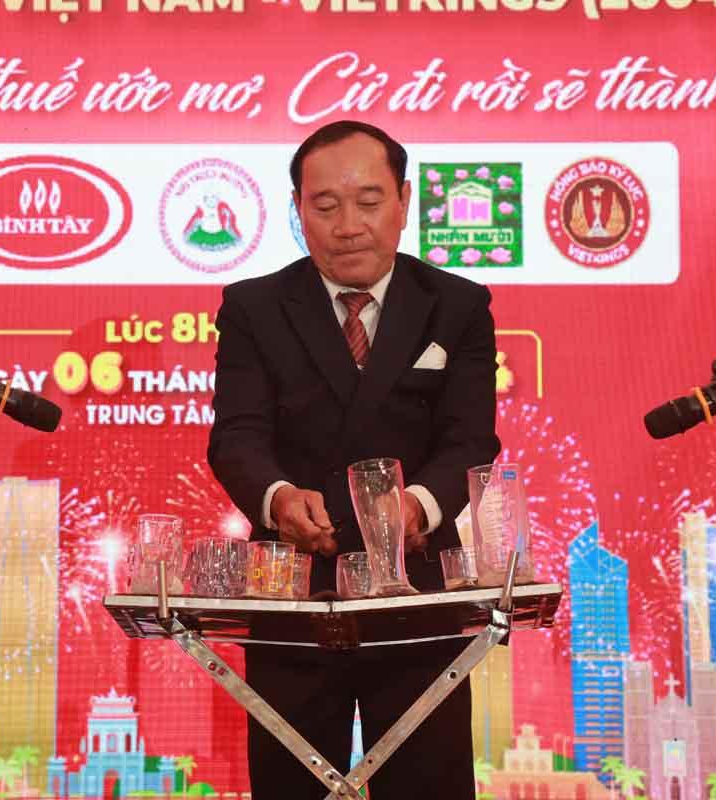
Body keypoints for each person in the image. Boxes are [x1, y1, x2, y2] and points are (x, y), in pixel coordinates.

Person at [207, 120, 501, 799]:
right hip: (292, 590)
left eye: (369, 202)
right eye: (325, 205)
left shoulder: (457, 306)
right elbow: (237, 438)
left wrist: (416, 508)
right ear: (297, 209)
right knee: (291, 787)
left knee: (429, 784)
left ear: (403, 201)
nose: (348, 226)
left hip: (418, 592)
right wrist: (278, 498)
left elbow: (470, 440)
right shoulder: (254, 307)